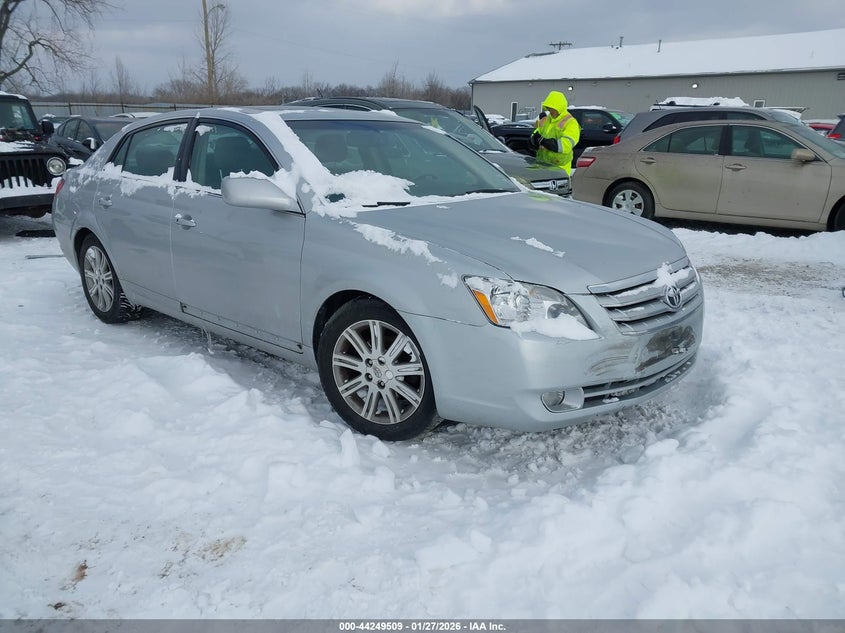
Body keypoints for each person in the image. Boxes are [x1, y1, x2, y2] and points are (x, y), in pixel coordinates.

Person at [529, 91, 581, 175]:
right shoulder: (546, 120)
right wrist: (533, 140)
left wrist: (546, 142)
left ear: (559, 107)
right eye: (549, 108)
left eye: (552, 108)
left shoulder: (570, 122)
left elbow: (565, 145)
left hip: (560, 168)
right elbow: (536, 134)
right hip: (542, 165)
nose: (550, 110)